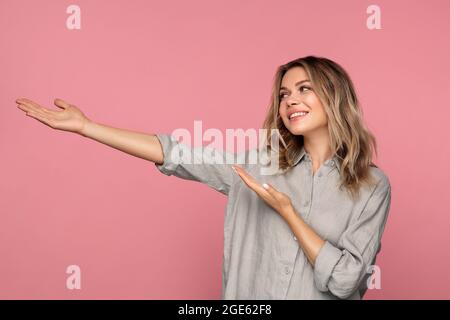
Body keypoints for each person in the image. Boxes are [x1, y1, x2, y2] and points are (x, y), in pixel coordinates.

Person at [15, 55, 391, 300]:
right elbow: (177, 153)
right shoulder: (257, 167)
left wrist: (288, 212)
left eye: (304, 89)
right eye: (284, 93)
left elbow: (346, 281)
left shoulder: (372, 186)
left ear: (334, 96)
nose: (290, 100)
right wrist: (87, 127)